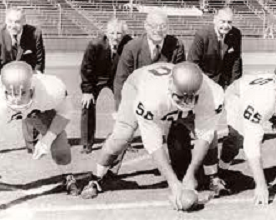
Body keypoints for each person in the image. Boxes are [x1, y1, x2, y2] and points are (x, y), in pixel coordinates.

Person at [80, 62, 224, 211]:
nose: (185, 102)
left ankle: (213, 176)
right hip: (137, 86)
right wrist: (173, 183)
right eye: (181, 98)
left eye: (191, 98)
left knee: (210, 134)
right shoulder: (151, 96)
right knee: (123, 135)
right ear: (170, 86)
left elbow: (204, 135)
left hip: (174, 95)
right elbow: (154, 144)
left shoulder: (212, 93)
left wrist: (190, 174)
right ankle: (96, 177)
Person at [0, 61, 77, 217]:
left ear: (32, 88)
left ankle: (67, 175)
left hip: (36, 110)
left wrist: (47, 140)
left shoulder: (50, 90)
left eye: (22, 93)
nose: (16, 100)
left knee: (60, 147)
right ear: (3, 90)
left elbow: (65, 112)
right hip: (2, 113)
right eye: (11, 93)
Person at [218, 62, 276, 205]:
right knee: (238, 138)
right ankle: (222, 169)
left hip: (272, 103)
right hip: (239, 96)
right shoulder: (261, 99)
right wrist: (261, 185)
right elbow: (251, 144)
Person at [174, 7, 242, 197]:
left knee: (211, 128)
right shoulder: (202, 35)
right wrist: (205, 88)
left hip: (221, 86)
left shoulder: (235, 34)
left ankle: (213, 174)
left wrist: (234, 87)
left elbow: (236, 60)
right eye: (223, 22)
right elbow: (192, 64)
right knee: (197, 129)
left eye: (229, 22)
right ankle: (196, 171)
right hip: (201, 85)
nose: (226, 26)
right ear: (215, 20)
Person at [0, 6, 46, 154]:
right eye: (10, 21)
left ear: (24, 21)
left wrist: (36, 79)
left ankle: (32, 144)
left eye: (17, 22)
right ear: (6, 21)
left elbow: (39, 60)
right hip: (1, 78)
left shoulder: (35, 33)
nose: (13, 25)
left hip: (26, 78)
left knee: (31, 108)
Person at [113, 9, 185, 110]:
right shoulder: (131, 48)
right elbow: (121, 82)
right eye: (153, 26)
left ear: (168, 27)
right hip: (138, 104)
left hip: (165, 106)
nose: (158, 30)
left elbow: (179, 80)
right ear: (145, 26)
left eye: (163, 26)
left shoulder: (177, 46)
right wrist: (122, 112)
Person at [80, 18, 132, 154]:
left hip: (118, 77)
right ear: (106, 33)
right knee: (87, 104)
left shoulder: (130, 44)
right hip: (96, 77)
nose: (115, 37)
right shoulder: (95, 44)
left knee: (126, 106)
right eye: (112, 33)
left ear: (124, 34)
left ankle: (124, 140)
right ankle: (87, 142)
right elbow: (86, 68)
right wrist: (87, 90)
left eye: (119, 33)